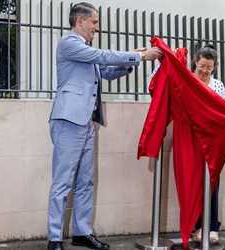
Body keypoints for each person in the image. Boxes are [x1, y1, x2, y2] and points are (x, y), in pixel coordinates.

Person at [47, 2, 163, 250]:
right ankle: (54, 238)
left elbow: (106, 71)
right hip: (69, 120)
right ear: (80, 21)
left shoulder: (85, 48)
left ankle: (81, 232)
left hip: (87, 123)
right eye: (94, 22)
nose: (97, 28)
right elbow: (102, 56)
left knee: (86, 181)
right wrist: (141, 55)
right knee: (63, 182)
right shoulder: (70, 44)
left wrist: (130, 62)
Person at [190, 44, 225, 244]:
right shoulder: (188, 80)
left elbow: (223, 110)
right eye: (202, 66)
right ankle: (196, 226)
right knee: (193, 183)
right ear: (196, 62)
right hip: (191, 137)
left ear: (214, 69)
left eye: (209, 68)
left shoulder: (218, 85)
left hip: (212, 139)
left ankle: (212, 227)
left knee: (212, 183)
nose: (204, 71)